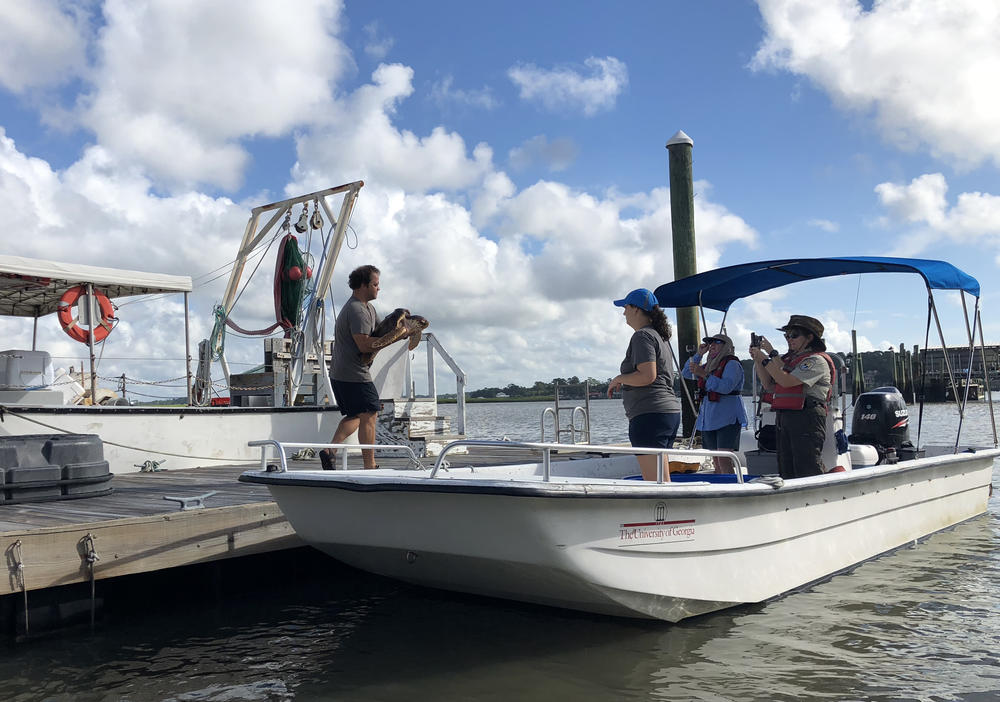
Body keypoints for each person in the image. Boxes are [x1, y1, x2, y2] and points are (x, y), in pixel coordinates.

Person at [607, 288, 682, 481]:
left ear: (637, 309)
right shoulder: (661, 337)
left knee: (654, 483)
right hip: (667, 413)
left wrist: (619, 378)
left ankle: (661, 511)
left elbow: (647, 376)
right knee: (663, 480)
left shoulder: (642, 336)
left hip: (650, 415)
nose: (624, 313)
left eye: (626, 307)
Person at [749, 314, 835, 480]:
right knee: (786, 466)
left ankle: (815, 499)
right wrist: (758, 361)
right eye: (787, 335)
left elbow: (786, 380)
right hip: (786, 417)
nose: (789, 339)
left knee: (807, 465)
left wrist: (766, 359)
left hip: (807, 416)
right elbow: (770, 385)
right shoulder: (790, 361)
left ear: (810, 338)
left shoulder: (815, 361)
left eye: (794, 335)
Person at [321, 264, 385, 470]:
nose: (378, 288)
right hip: (353, 373)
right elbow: (364, 344)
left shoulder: (368, 308)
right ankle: (370, 466)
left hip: (341, 373)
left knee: (357, 415)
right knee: (370, 414)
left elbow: (383, 330)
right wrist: (394, 338)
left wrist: (404, 328)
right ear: (363, 285)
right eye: (375, 284)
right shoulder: (357, 310)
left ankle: (330, 451)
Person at [681, 333, 748, 472]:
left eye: (717, 342)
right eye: (710, 342)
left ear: (726, 346)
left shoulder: (732, 364)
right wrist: (699, 354)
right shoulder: (709, 366)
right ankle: (721, 486)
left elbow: (726, 387)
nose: (712, 345)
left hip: (727, 417)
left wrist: (704, 374)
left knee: (724, 458)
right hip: (710, 418)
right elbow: (686, 372)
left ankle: (731, 488)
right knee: (715, 459)